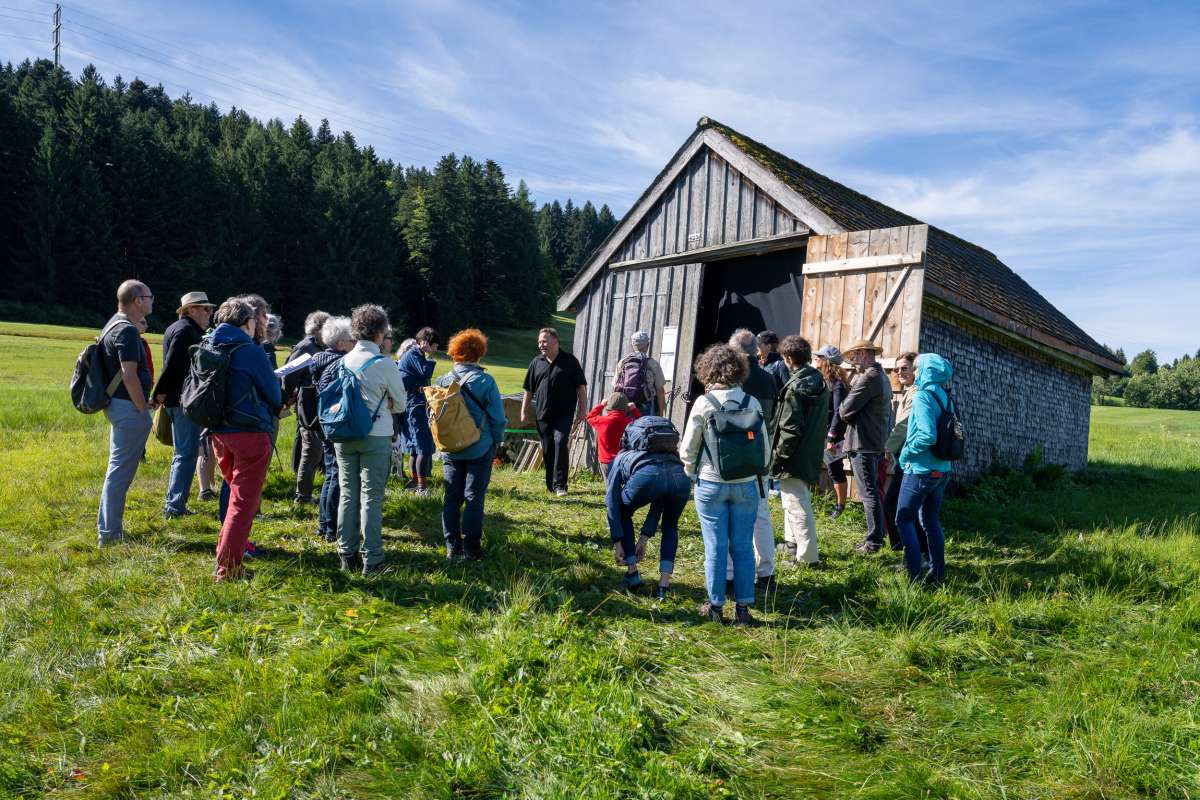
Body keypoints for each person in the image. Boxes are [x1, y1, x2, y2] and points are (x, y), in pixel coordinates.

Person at [680, 344, 769, 627]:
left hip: (711, 483)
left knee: (715, 547)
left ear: (707, 370)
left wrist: (692, 473)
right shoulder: (751, 402)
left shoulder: (704, 404)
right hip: (745, 485)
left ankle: (716, 605)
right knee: (743, 546)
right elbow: (765, 451)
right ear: (739, 370)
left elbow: (688, 449)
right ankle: (743, 608)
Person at [207, 297, 281, 580]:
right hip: (249, 432)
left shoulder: (209, 344)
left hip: (218, 432)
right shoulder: (249, 350)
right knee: (242, 503)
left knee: (235, 496)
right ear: (247, 323)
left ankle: (224, 553)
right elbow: (273, 394)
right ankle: (228, 568)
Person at [336, 304, 406, 575]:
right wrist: (385, 401)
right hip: (376, 434)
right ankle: (373, 558)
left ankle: (346, 554)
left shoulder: (343, 359)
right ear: (380, 332)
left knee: (348, 494)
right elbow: (400, 403)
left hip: (343, 434)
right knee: (371, 498)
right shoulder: (384, 363)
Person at [435, 329, 507, 561]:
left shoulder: (442, 380)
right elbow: (498, 418)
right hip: (479, 445)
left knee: (451, 497)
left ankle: (451, 545)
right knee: (474, 497)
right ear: (479, 353)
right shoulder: (485, 381)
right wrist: (497, 441)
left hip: (451, 447)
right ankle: (472, 548)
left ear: (455, 353)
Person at [96, 280, 156, 547]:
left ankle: (108, 529)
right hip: (128, 408)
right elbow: (130, 376)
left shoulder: (112, 323)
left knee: (116, 470)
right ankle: (109, 534)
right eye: (149, 296)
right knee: (120, 473)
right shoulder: (128, 332)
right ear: (137, 301)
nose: (152, 300)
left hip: (117, 405)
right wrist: (143, 409)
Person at [605, 416, 691, 598]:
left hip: (645, 477)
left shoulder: (621, 457)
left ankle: (632, 571)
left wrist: (618, 541)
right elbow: (659, 502)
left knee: (623, 512)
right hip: (680, 478)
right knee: (670, 526)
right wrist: (643, 538)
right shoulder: (672, 457)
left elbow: (612, 501)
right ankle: (664, 585)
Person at [768, 336, 830, 567]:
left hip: (793, 456)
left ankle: (808, 558)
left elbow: (790, 430)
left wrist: (777, 457)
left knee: (797, 505)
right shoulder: (819, 381)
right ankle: (791, 547)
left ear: (787, 358)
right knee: (792, 503)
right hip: (810, 451)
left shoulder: (795, 387)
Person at [153, 291, 215, 519]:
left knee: (184, 453)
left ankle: (175, 502)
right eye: (205, 308)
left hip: (179, 398)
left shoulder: (180, 328)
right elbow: (172, 366)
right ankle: (174, 506)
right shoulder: (185, 331)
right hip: (182, 400)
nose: (210, 313)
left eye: (210, 308)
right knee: (186, 454)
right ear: (190, 310)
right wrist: (159, 393)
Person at [896, 353, 955, 584]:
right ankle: (937, 573)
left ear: (926, 371)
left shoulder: (922, 396)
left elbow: (927, 435)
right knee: (931, 521)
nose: (915, 372)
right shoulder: (944, 396)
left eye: (918, 368)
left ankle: (913, 574)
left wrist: (906, 452)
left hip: (921, 468)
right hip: (942, 469)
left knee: (904, 519)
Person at [727, 328, 777, 589]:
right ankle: (767, 572)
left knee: (729, 514)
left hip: (733, 454)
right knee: (761, 513)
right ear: (756, 350)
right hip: (761, 450)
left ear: (735, 350)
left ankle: (730, 573)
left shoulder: (732, 378)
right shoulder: (769, 379)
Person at [839, 339, 893, 554]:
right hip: (874, 442)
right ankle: (876, 538)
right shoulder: (881, 376)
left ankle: (873, 542)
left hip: (863, 443)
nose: (852, 362)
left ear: (863, 354)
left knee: (868, 493)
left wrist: (846, 400)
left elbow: (844, 411)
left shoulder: (868, 378)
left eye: (854, 357)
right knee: (872, 492)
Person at [521, 326, 587, 497]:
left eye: (544, 341)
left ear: (555, 341)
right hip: (542, 414)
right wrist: (524, 410)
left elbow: (581, 387)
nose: (541, 344)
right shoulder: (536, 363)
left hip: (564, 413)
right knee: (548, 447)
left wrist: (582, 410)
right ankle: (551, 484)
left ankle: (560, 485)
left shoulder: (570, 361)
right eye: (539, 342)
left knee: (559, 442)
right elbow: (528, 389)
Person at [308, 316, 355, 543]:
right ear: (341, 343)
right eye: (352, 339)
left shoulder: (320, 359)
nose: (355, 343)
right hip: (335, 422)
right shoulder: (340, 363)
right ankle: (331, 527)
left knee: (330, 473)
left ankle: (324, 524)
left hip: (322, 422)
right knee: (336, 474)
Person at [884, 352, 928, 561]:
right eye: (897, 369)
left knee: (899, 505)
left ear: (915, 371)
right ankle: (910, 548)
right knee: (903, 506)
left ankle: (910, 549)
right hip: (905, 455)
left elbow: (904, 427)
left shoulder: (917, 393)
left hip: (911, 457)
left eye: (904, 368)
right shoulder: (909, 392)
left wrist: (887, 448)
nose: (899, 372)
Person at [286, 310, 330, 504]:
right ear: (318, 328)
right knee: (310, 449)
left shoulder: (319, 346)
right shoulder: (306, 347)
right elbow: (288, 375)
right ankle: (302, 496)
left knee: (313, 450)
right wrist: (286, 398)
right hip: (307, 405)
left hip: (315, 403)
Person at [398, 326, 442, 496]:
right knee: (423, 446)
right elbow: (425, 371)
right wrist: (429, 358)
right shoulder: (415, 354)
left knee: (416, 447)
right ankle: (422, 486)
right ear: (423, 342)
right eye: (435, 345)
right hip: (415, 405)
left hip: (414, 404)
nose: (436, 348)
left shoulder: (416, 355)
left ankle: (416, 481)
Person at [814, 345, 850, 519]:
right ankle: (817, 501)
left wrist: (832, 436)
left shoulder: (838, 384)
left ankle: (840, 507)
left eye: (819, 357)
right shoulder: (824, 380)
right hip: (820, 431)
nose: (816, 359)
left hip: (832, 434)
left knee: (835, 470)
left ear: (827, 361)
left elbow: (838, 412)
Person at [585, 392, 641, 478]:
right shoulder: (629, 422)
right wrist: (634, 409)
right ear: (625, 408)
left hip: (606, 461)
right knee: (622, 485)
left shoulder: (601, 421)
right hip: (623, 460)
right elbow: (641, 423)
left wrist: (601, 405)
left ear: (609, 407)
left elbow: (589, 417)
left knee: (609, 485)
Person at [612, 331, 667, 416]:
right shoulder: (653, 364)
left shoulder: (622, 363)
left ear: (633, 345)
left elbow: (615, 386)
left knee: (627, 428)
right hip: (646, 406)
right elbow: (660, 391)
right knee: (646, 429)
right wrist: (660, 413)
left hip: (626, 405)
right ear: (647, 345)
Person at [391, 337, 418, 482]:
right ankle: (396, 472)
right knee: (396, 440)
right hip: (396, 410)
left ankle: (403, 472)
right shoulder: (396, 366)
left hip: (409, 409)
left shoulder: (416, 369)